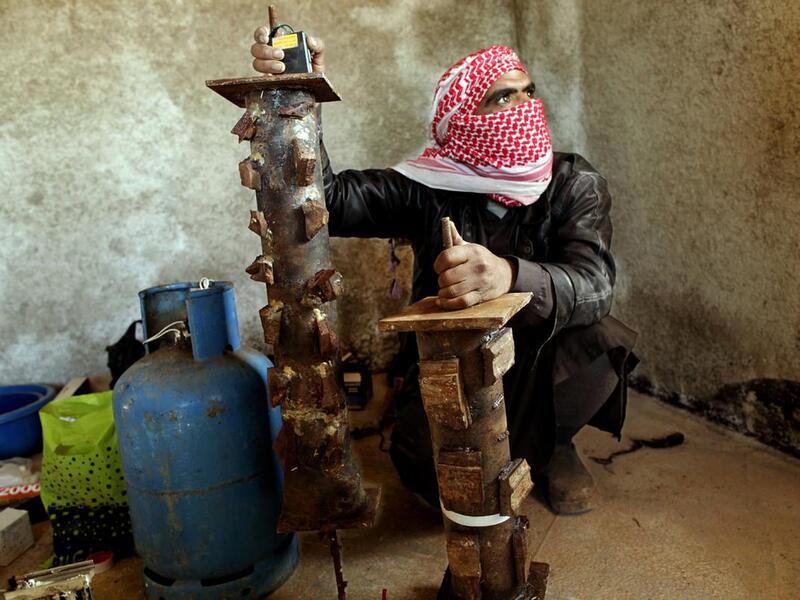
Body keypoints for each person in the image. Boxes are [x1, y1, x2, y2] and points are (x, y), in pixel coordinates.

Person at [251, 32, 638, 515]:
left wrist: (509, 276)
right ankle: (513, 448)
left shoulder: (574, 182)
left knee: (601, 339)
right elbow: (327, 201)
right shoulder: (428, 186)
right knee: (432, 480)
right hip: (453, 364)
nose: (525, 108)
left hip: (539, 357)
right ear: (462, 120)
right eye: (503, 97)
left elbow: (595, 284)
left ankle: (555, 444)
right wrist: (299, 94)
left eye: (529, 92)